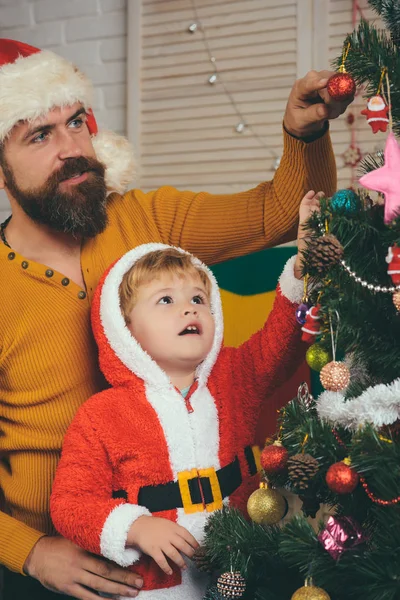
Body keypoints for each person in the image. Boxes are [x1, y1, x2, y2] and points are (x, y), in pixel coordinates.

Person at [0, 35, 352, 600]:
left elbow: (278, 215)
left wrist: (304, 133)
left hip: (196, 543)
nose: (72, 147)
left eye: (76, 121)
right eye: (40, 134)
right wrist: (30, 552)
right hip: (54, 560)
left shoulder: (144, 217)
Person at [50, 191, 320, 600]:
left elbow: (279, 344)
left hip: (242, 570)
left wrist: (302, 271)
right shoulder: (102, 414)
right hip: (155, 588)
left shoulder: (234, 377)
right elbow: (71, 503)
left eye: (198, 298)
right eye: (165, 301)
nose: (189, 309)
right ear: (123, 328)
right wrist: (134, 527)